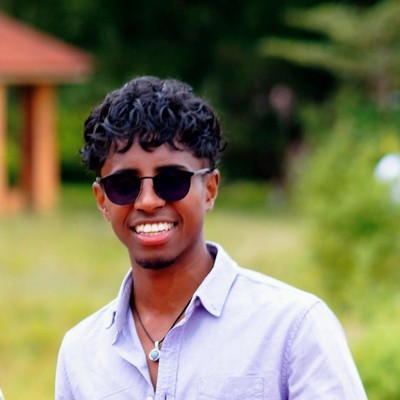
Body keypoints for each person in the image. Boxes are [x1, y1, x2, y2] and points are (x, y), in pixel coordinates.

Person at [55, 76, 367, 399]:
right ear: (102, 200)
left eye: (172, 180)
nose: (147, 201)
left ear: (210, 189)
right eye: (124, 185)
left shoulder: (292, 329)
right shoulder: (81, 355)